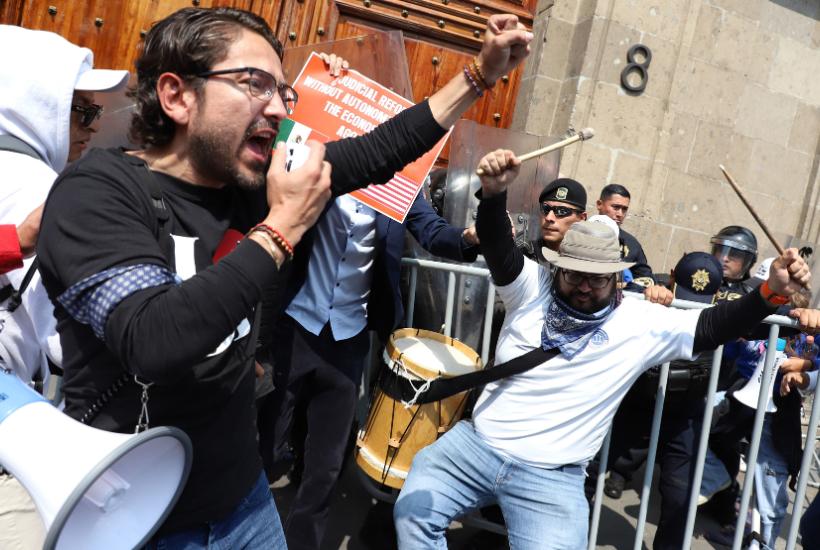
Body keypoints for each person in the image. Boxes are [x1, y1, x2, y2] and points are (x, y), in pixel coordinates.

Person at [35, 8, 533, 548]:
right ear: (177, 95)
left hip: (243, 501)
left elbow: (379, 152)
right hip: (134, 517)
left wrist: (479, 75)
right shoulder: (97, 191)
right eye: (254, 83)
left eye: (279, 88)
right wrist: (280, 228)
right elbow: (153, 340)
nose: (277, 107)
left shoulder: (251, 183)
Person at [391, 147, 819, 550]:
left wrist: (770, 293)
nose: (583, 287)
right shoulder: (530, 288)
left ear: (616, 277)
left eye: (597, 278)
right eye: (574, 275)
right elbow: (497, 244)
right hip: (476, 447)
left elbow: (712, 326)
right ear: (557, 268)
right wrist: (494, 192)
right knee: (412, 512)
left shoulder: (638, 322)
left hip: (551, 481)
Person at [259, 192, 479, 550]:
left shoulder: (402, 179)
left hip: (348, 338)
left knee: (325, 467)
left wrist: (470, 237)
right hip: (294, 326)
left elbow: (433, 230)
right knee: (264, 447)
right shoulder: (321, 159)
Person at [0, 25, 129, 550]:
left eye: (96, 113)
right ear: (31, 103)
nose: (92, 128)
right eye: (80, 110)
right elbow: (66, 340)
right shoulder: (43, 188)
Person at [584, 252, 723, 549]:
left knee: (680, 496)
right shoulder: (652, 285)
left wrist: (801, 315)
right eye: (684, 294)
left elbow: (765, 315)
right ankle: (564, 531)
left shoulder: (725, 304)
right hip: (634, 403)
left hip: (685, 414)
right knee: (586, 468)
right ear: (672, 276)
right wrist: (642, 296)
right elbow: (617, 290)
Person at [596, 184, 655, 289]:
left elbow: (647, 280)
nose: (620, 214)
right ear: (599, 204)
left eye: (624, 209)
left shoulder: (631, 244)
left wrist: (625, 286)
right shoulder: (578, 233)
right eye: (616, 207)